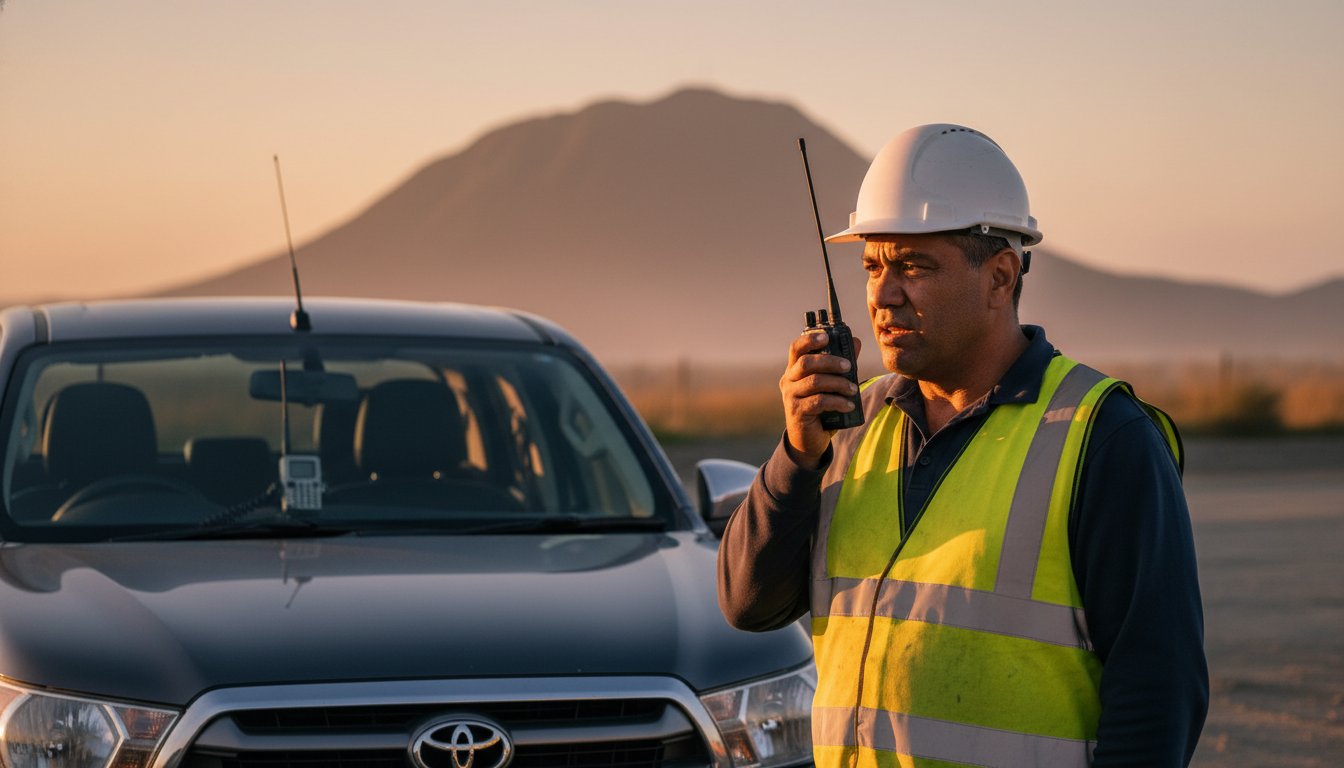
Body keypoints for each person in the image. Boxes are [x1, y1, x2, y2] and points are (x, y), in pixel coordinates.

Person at [717, 124, 1208, 767]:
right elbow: (747, 605)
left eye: (914, 266)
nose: (883, 294)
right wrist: (795, 456)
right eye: (871, 265)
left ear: (1000, 277)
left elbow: (1158, 694)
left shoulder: (1103, 439)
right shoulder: (847, 427)